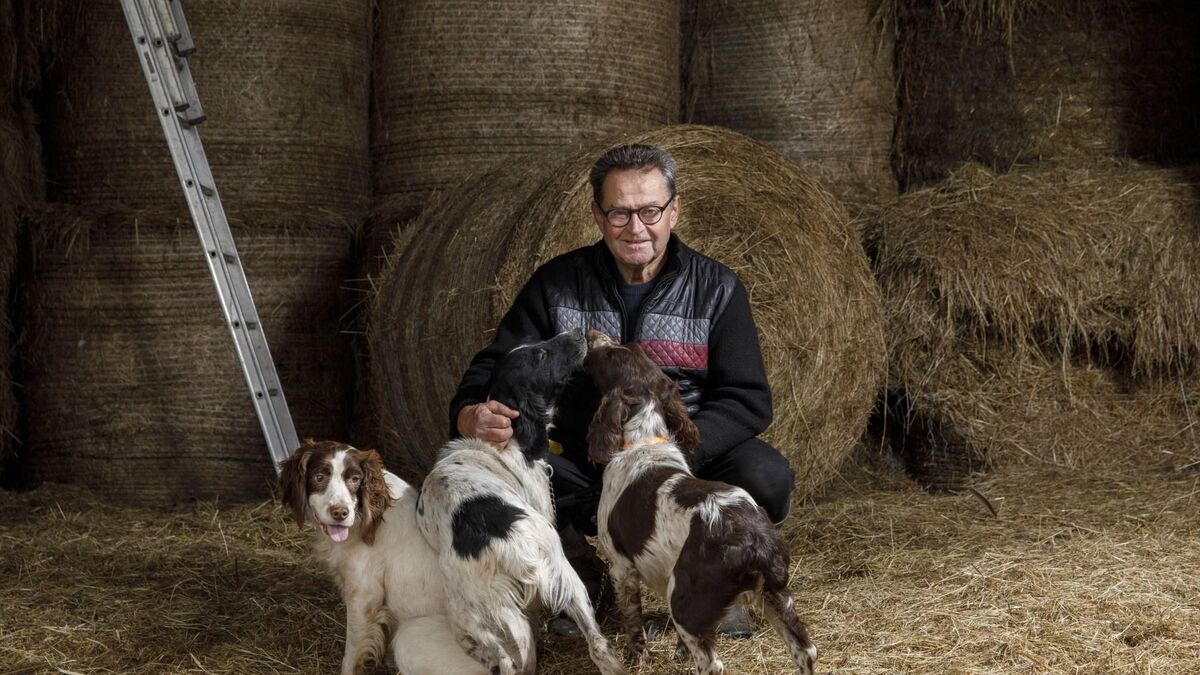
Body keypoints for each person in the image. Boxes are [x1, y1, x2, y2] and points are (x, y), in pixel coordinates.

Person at [448, 143, 796, 637]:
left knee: (766, 474)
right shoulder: (557, 285)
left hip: (683, 461)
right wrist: (468, 413)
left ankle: (716, 580)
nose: (636, 228)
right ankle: (582, 582)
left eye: (650, 210)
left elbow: (747, 399)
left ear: (674, 210)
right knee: (514, 466)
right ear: (597, 214)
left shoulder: (717, 289)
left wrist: (667, 453)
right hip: (586, 461)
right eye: (620, 213)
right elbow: (499, 363)